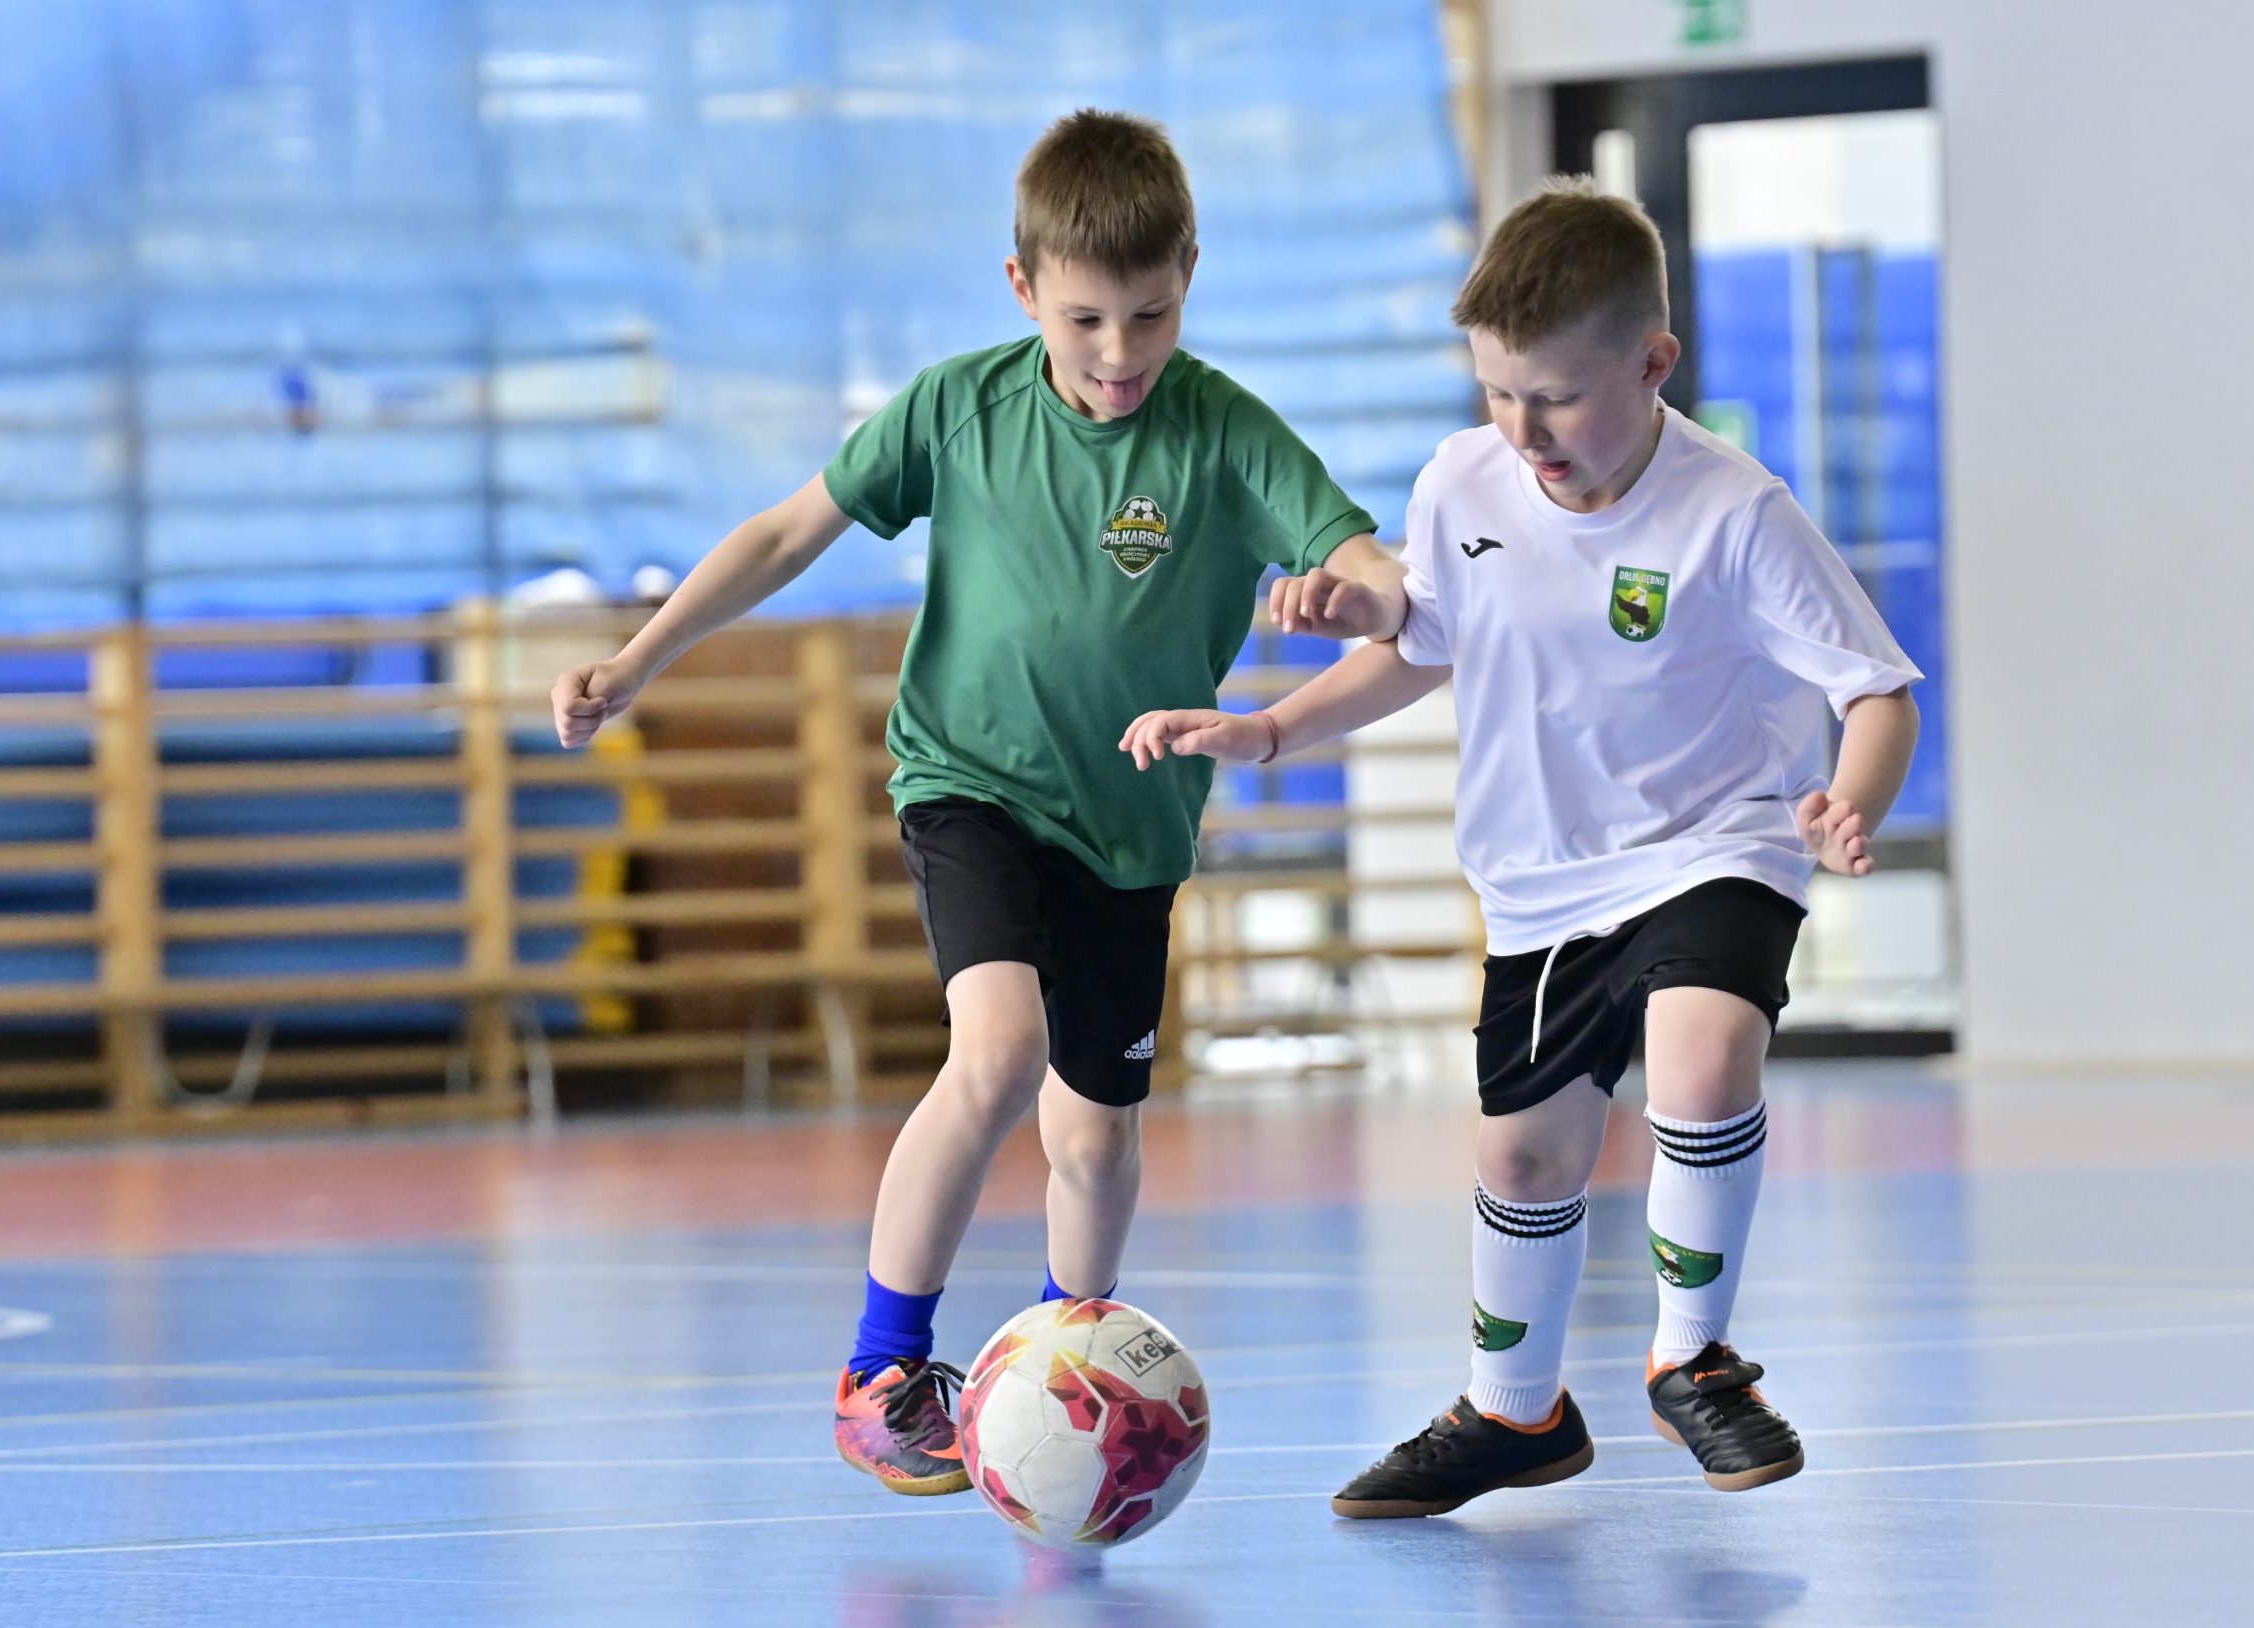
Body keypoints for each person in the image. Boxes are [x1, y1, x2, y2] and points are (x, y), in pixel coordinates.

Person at [551, 109, 1405, 1495]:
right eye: (1085, 321)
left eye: (1151, 315)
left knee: (1096, 1137)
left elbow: (1373, 571)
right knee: (998, 1050)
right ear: (1022, 288)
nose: (1120, 354)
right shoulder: (958, 408)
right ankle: (880, 1373)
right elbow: (784, 532)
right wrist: (640, 659)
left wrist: (1352, 596)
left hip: (1132, 825)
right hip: (972, 783)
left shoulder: (1225, 432)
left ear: (1190, 273)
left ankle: (1069, 1372)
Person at [1120, 177, 1922, 1516]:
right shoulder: (1464, 481)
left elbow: (1876, 690)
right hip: (1544, 880)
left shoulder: (1735, 513)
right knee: (1524, 1161)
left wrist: (1853, 799)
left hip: (1714, 842)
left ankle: (1694, 1358)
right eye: (1498, 392)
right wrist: (1268, 730)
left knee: (1703, 1055)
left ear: (1654, 363)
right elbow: (1423, 643)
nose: (1524, 428)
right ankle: (1515, 1413)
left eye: (1555, 396)